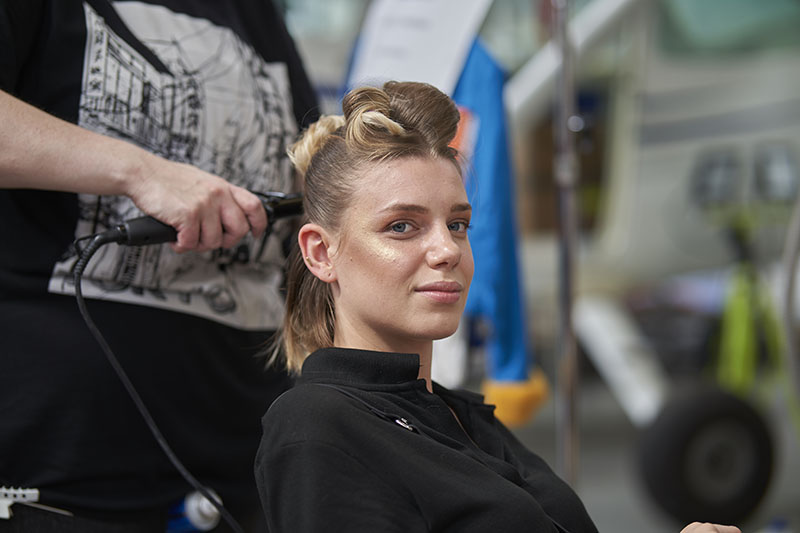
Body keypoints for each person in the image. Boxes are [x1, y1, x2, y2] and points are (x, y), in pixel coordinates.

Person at [254, 81, 742, 533]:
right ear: (321, 253)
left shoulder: (459, 415)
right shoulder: (317, 427)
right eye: (402, 226)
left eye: (457, 225)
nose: (447, 250)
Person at [0, 0, 317, 530]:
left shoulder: (254, 14)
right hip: (60, 472)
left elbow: (304, 172)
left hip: (242, 466)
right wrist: (139, 172)